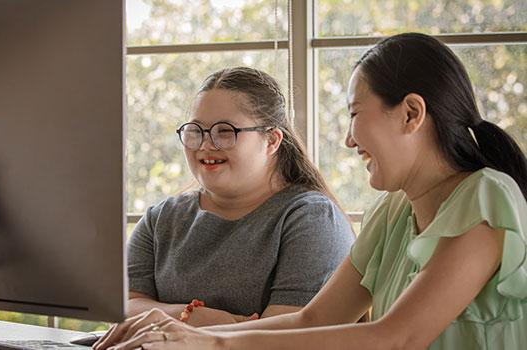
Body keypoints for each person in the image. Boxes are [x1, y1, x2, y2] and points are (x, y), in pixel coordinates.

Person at [93, 33, 527, 350]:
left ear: (411, 113)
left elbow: (397, 337)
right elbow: (314, 318)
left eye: (356, 113)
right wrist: (192, 333)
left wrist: (210, 343)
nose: (348, 140)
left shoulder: (486, 197)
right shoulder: (393, 210)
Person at [124, 67, 355, 328]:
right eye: (195, 130)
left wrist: (163, 319)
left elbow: (284, 339)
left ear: (272, 141)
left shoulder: (312, 219)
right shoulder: (160, 218)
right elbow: (123, 309)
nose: (205, 144)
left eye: (224, 131)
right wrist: (191, 315)